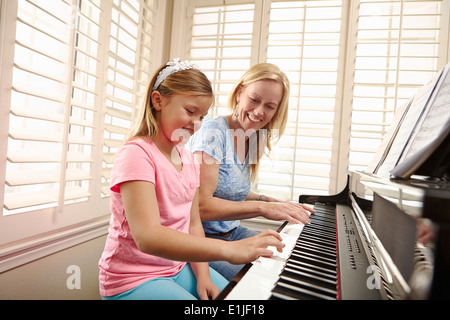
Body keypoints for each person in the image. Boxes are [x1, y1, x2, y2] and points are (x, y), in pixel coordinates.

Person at [98, 59, 284, 300]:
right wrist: (229, 250)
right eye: (190, 111)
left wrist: (204, 277)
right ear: (158, 101)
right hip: (133, 278)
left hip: (176, 267)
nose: (196, 124)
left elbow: (194, 224)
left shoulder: (186, 157)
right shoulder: (136, 154)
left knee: (238, 298)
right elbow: (148, 237)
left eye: (202, 116)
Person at [188, 63, 315, 281]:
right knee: (267, 281)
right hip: (202, 240)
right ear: (239, 93)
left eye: (270, 106)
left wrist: (272, 201)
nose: (259, 112)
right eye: (254, 100)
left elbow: (230, 188)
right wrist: (263, 208)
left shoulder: (252, 137)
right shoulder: (213, 133)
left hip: (232, 233)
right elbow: (200, 205)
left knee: (293, 262)